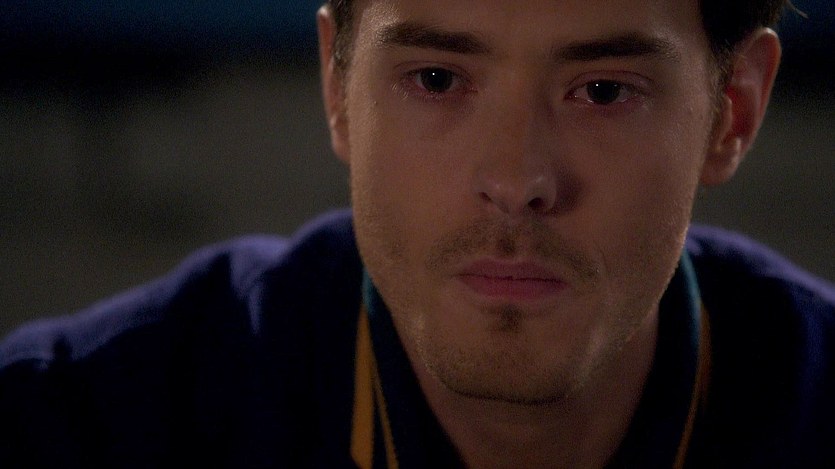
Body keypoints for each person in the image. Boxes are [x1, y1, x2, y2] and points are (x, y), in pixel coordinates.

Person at [1, 0, 833, 467]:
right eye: (435, 79)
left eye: (604, 91)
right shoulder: (74, 429)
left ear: (732, 111)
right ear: (338, 88)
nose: (515, 180)